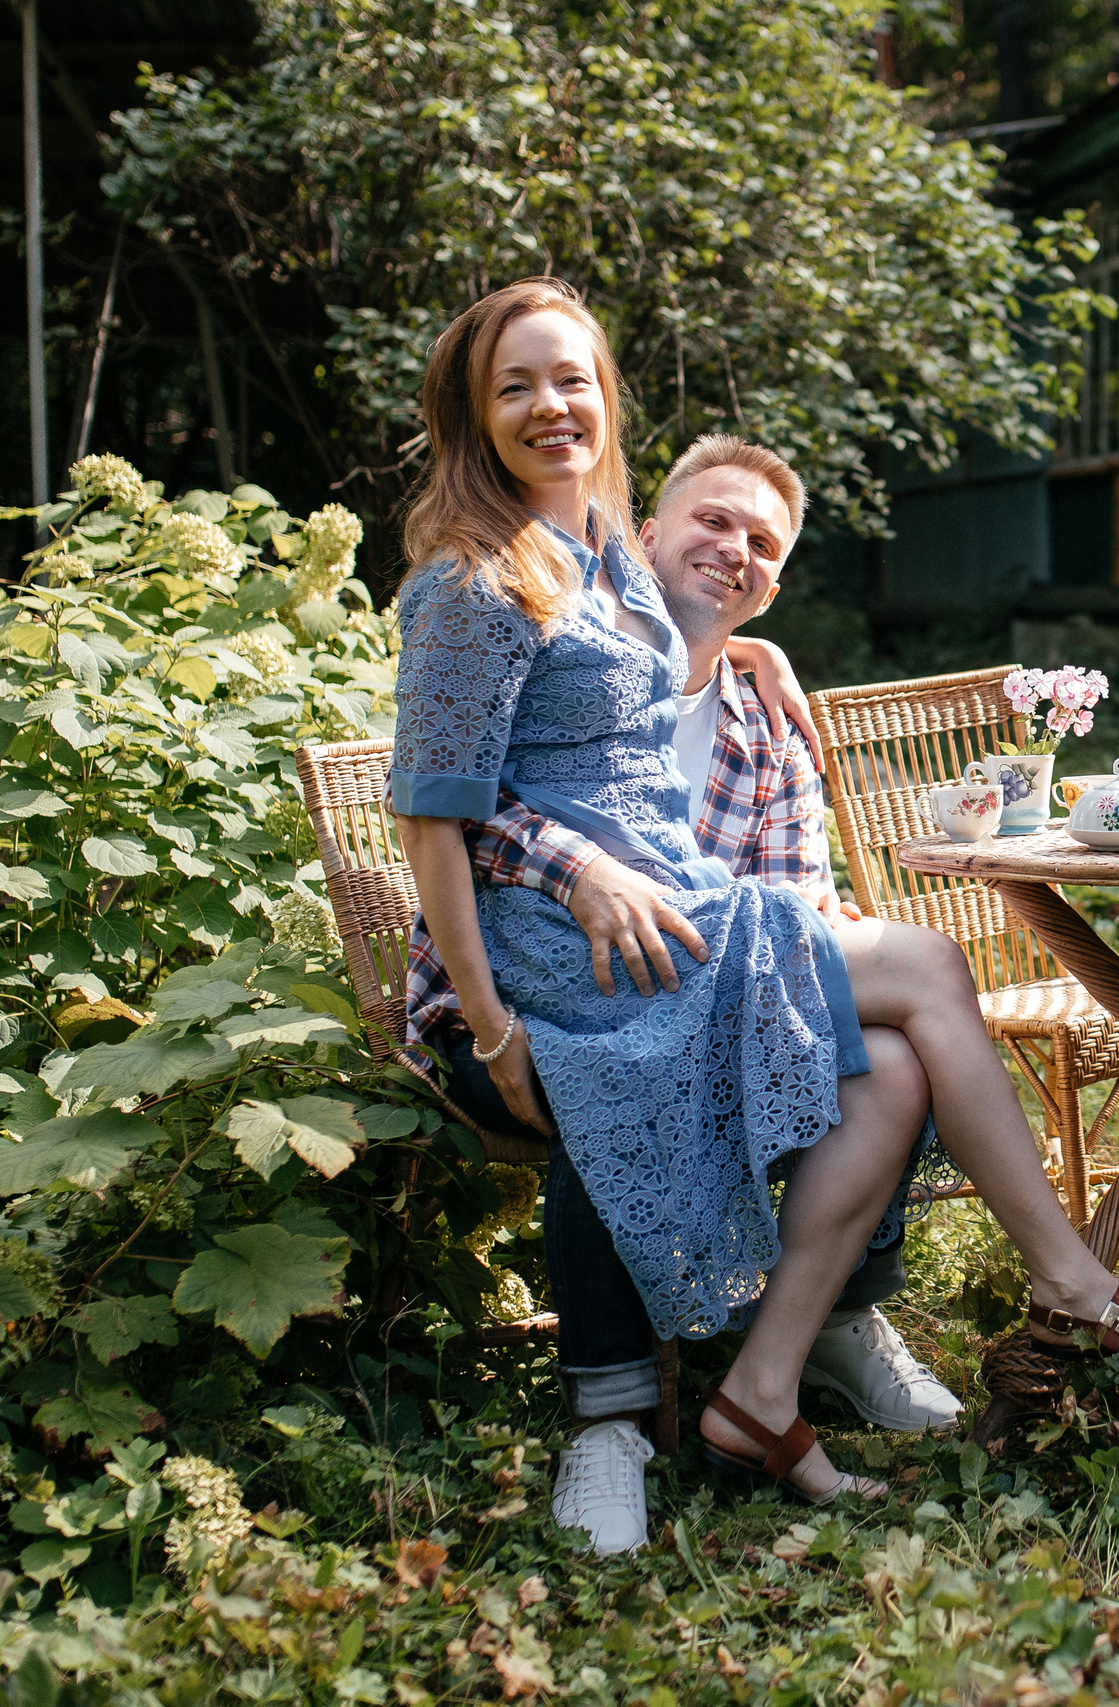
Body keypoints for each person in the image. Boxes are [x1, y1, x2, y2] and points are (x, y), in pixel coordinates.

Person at [389, 278, 1119, 1530]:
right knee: (930, 970)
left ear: (610, 403)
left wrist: (745, 645)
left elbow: (648, 673)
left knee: (887, 1065)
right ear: (471, 411)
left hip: (667, 930)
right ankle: (1071, 1284)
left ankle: (760, 1395)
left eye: (574, 381)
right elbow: (430, 813)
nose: (551, 406)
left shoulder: (610, 569)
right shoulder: (472, 581)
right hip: (557, 959)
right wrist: (497, 1022)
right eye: (516, 385)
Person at [407, 434, 964, 1552]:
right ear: (640, 536)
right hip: (528, 993)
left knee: (889, 1055)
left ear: (775, 586)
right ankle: (607, 1422)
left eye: (763, 544)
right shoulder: (566, 637)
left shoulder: (766, 723)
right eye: (712, 522)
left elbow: (792, 891)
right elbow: (459, 798)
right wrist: (583, 869)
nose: (734, 551)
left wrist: (764, 666)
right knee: (619, 1063)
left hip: (703, 982)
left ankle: (829, 1324)